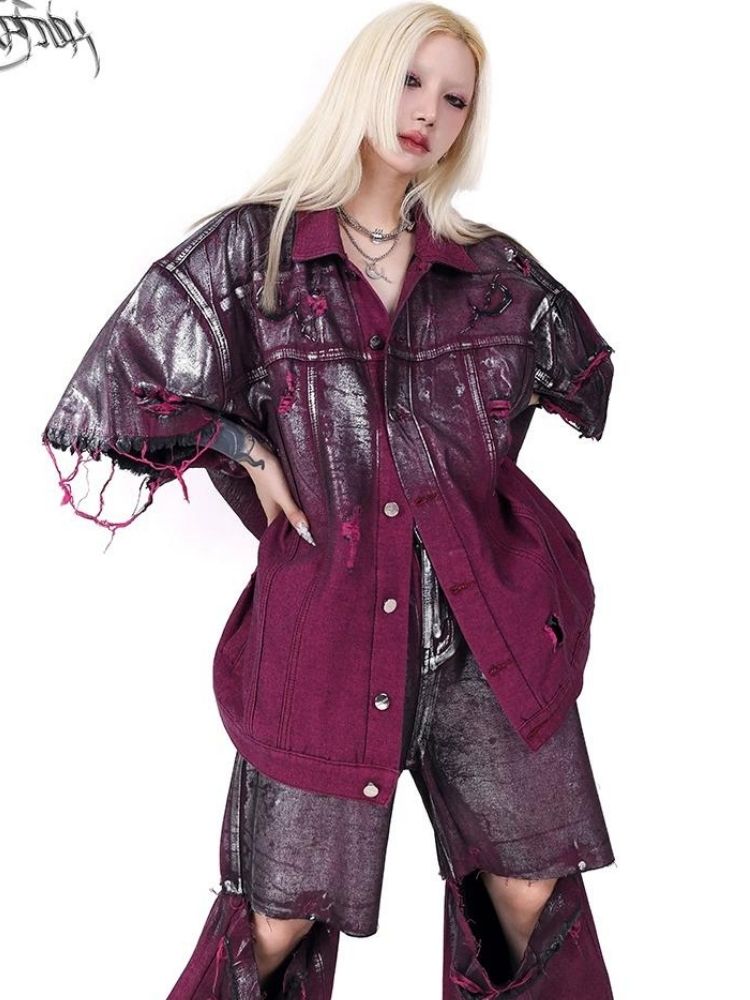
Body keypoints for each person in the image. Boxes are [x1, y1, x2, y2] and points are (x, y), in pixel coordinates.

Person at [41, 4, 617, 998]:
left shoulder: (491, 271)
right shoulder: (253, 254)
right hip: (327, 636)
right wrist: (241, 445)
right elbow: (110, 394)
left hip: (489, 634)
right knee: (276, 919)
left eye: (455, 99)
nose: (428, 113)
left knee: (533, 890)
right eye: (412, 82)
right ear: (366, 79)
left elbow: (585, 379)